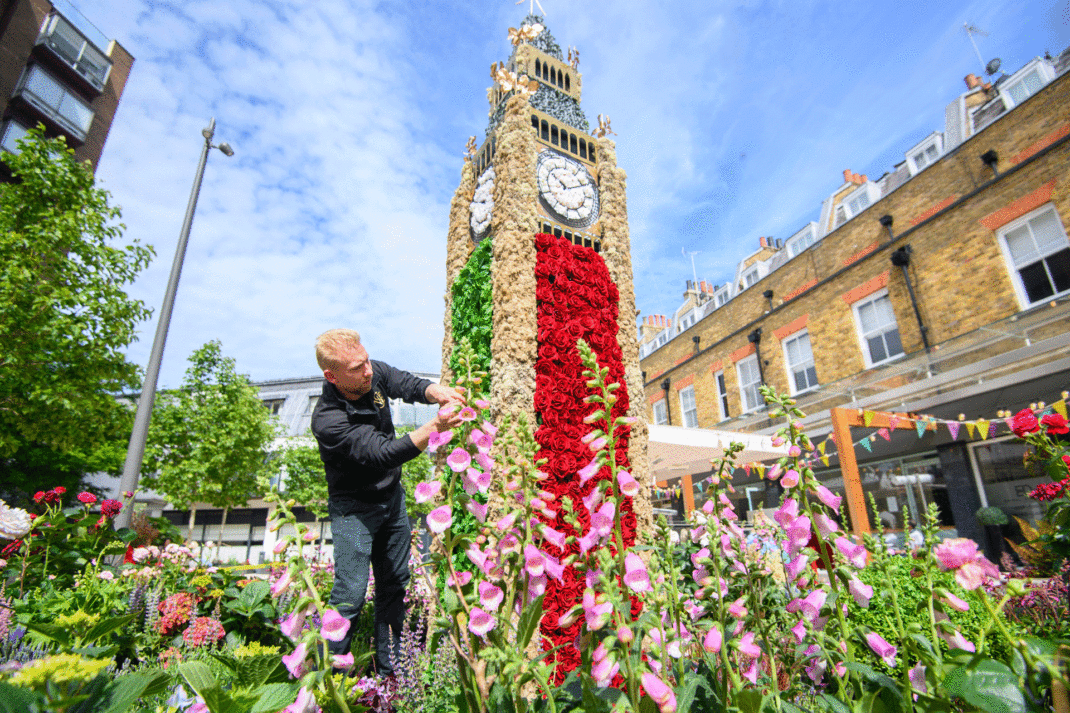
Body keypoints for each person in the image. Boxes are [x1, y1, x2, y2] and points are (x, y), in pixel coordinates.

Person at [311, 328, 462, 676]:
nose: (368, 372)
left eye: (366, 361)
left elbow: (403, 383)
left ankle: (390, 674)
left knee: (395, 583)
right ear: (332, 376)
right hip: (354, 509)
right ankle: (330, 678)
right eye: (356, 368)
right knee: (350, 591)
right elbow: (383, 454)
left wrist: (434, 390)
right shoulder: (329, 421)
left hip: (391, 499)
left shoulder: (370, 372)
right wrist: (435, 426)